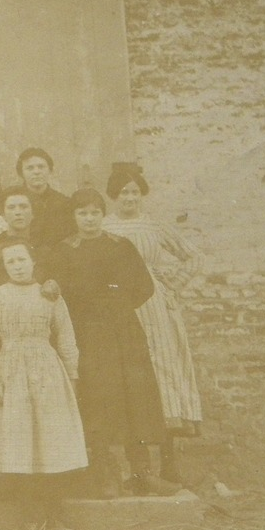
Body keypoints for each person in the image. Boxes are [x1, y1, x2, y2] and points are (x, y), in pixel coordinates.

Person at [48, 187, 168, 497]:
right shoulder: (64, 250)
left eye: (94, 213)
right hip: (87, 333)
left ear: (103, 215)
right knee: (98, 398)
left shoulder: (121, 246)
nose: (89, 219)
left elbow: (143, 287)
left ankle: (142, 472)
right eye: (82, 213)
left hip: (124, 331)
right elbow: (58, 291)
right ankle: (106, 474)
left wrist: (117, 306)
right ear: (74, 217)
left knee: (135, 396)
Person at [0, 238, 88, 530]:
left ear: (33, 262)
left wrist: (72, 376)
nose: (17, 266)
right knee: (20, 446)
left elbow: (66, 337)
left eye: (21, 260)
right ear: (4, 267)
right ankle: (30, 521)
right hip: (11, 372)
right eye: (10, 262)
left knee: (49, 444)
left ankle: (55, 519)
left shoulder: (49, 295)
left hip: (47, 372)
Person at [102, 163, 204, 479]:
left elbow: (194, 257)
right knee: (131, 377)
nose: (129, 198)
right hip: (120, 307)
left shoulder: (155, 226)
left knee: (161, 374)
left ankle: (170, 462)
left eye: (134, 192)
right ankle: (139, 464)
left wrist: (170, 283)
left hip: (154, 305)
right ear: (113, 197)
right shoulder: (104, 227)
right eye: (122, 193)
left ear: (142, 194)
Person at [0, 189, 55, 288]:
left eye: (23, 207)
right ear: (3, 214)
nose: (18, 212)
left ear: (33, 213)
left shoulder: (44, 249)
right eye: (11, 208)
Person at [14, 147, 76, 248]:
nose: (36, 172)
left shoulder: (64, 202)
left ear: (50, 170)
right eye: (30, 168)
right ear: (21, 173)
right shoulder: (12, 202)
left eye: (41, 167)